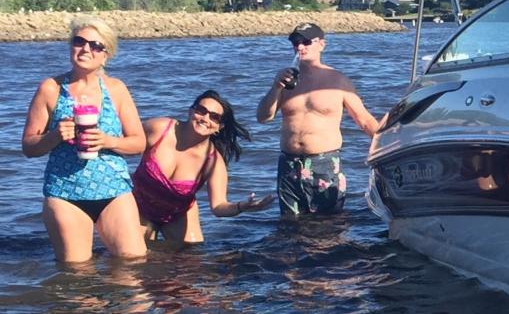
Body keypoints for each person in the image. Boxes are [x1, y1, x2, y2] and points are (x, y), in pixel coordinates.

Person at [22, 15, 147, 263]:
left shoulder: (116, 89)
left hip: (113, 190)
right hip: (65, 192)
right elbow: (28, 146)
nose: (86, 49)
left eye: (96, 45)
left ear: (106, 55)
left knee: (133, 264)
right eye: (79, 41)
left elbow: (139, 143)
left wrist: (108, 141)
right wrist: (55, 136)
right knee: (77, 273)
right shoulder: (51, 89)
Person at [256, 22, 379, 216]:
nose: (300, 47)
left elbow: (363, 120)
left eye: (306, 42)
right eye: (295, 42)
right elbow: (263, 117)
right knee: (290, 225)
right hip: (289, 165)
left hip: (325, 164)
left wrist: (389, 144)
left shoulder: (338, 80)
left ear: (321, 44)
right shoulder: (285, 81)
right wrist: (276, 87)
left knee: (329, 226)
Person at [133, 90, 273, 243]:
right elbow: (127, 142)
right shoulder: (160, 129)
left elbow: (218, 207)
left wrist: (242, 206)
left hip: (177, 213)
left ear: (219, 127)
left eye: (214, 117)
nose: (205, 118)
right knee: (134, 254)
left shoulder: (213, 162)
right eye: (201, 110)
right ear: (190, 111)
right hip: (138, 206)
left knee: (192, 254)